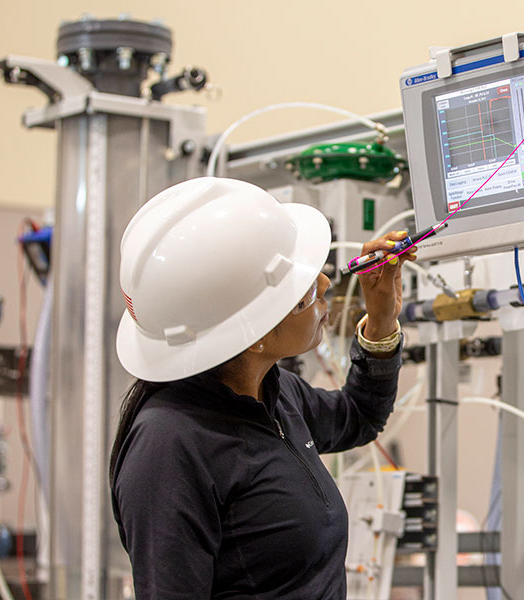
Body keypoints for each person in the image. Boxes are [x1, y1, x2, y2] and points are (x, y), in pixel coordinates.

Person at [109, 177, 416, 599]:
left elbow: (358, 417)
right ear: (252, 334)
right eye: (302, 291)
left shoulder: (273, 392)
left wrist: (381, 318)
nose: (326, 285)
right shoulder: (170, 447)